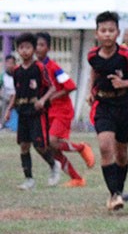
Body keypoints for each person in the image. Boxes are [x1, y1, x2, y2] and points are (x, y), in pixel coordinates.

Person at [87, 10, 128, 211]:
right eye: (103, 30)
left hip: (124, 107)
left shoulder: (126, 56)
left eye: (111, 30)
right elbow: (94, 71)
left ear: (118, 32)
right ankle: (114, 194)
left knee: (121, 153)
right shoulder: (92, 55)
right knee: (105, 147)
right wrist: (90, 91)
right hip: (103, 106)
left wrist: (123, 83)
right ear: (97, 33)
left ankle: (118, 190)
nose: (107, 34)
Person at [35, 32, 96, 186]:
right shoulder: (35, 68)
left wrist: (50, 97)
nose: (37, 48)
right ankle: (77, 178)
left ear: (48, 48)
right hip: (47, 112)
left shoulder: (54, 67)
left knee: (52, 141)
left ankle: (81, 147)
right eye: (35, 45)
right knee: (50, 147)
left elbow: (70, 86)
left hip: (61, 110)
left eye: (41, 45)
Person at [4, 32, 59, 189]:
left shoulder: (40, 68)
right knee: (23, 145)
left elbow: (52, 87)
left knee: (39, 145)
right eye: (21, 48)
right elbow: (16, 92)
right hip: (22, 111)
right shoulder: (16, 71)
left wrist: (42, 100)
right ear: (18, 50)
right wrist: (9, 110)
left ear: (34, 50)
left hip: (36, 112)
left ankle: (54, 164)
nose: (24, 51)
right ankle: (29, 179)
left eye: (28, 47)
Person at [2, 54, 17, 132]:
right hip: (7, 98)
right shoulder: (3, 76)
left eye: (12, 63)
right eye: (8, 63)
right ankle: (3, 124)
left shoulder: (18, 74)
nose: (10, 65)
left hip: (17, 98)